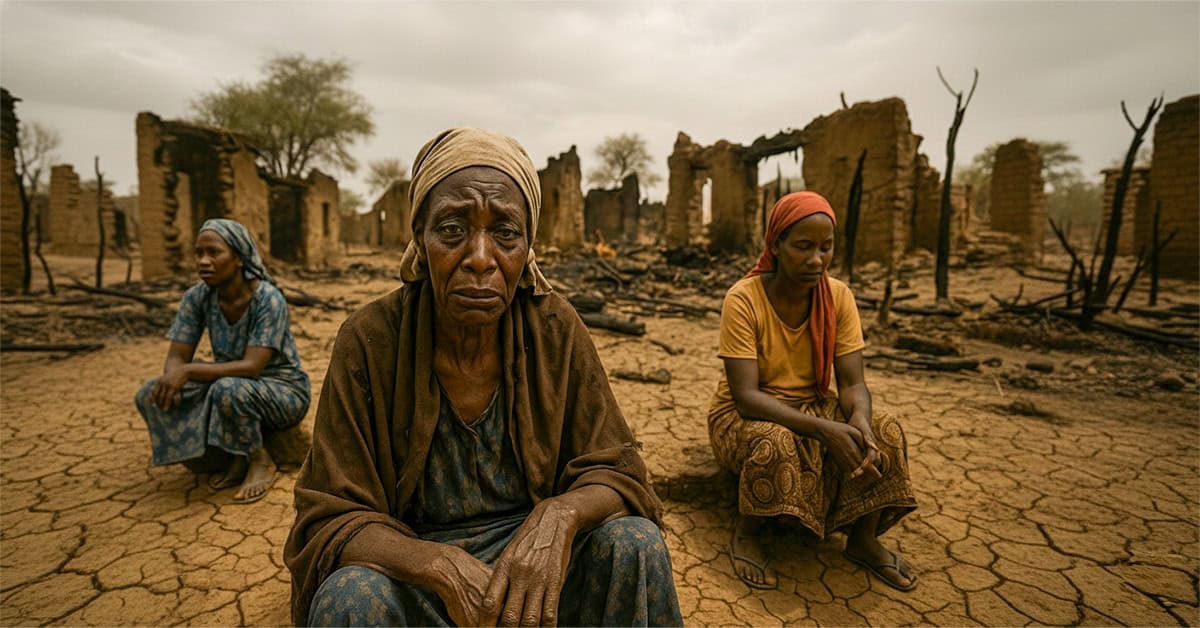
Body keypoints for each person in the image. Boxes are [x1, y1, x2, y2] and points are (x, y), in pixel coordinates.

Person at [284, 128, 682, 627]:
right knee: (351, 599)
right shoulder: (370, 339)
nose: (479, 257)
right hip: (417, 571)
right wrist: (438, 565)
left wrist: (559, 515)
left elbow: (618, 472)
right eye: (452, 229)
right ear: (420, 238)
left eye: (505, 234)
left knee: (635, 543)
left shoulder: (554, 329)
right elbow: (330, 517)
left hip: (537, 567)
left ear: (529, 246)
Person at [708, 191, 918, 592]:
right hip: (745, 415)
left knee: (884, 430)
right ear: (776, 245)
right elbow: (746, 397)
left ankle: (863, 540)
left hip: (813, 405)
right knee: (775, 441)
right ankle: (748, 533)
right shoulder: (744, 299)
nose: (817, 260)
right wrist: (824, 431)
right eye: (803, 246)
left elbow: (853, 383)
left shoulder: (838, 297)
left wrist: (859, 420)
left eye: (826, 247)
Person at [134, 219, 310, 504]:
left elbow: (251, 367)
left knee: (227, 389)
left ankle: (260, 460)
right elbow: (177, 356)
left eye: (214, 252)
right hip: (227, 383)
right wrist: (174, 377)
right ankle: (220, 456)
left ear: (239, 258)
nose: (203, 261)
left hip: (282, 390)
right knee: (151, 393)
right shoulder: (197, 297)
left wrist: (188, 371)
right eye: (198, 253)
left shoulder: (268, 299)